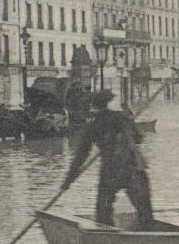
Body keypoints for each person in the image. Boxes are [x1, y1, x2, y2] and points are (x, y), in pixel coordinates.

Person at [62, 90, 153, 229]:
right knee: (144, 211)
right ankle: (148, 237)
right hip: (134, 167)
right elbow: (139, 138)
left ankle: (107, 237)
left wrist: (68, 180)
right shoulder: (122, 117)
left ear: (93, 106)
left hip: (112, 170)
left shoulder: (93, 126)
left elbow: (81, 156)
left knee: (103, 214)